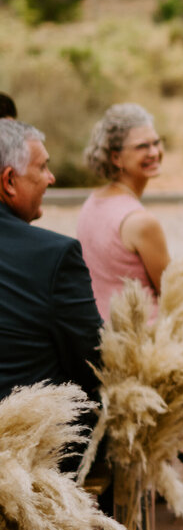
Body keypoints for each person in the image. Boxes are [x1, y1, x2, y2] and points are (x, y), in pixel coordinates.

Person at [0, 117, 103, 406]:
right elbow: (95, 362)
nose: (51, 178)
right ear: (9, 181)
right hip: (32, 440)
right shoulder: (54, 255)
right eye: (43, 167)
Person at [76, 105, 169, 319]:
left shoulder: (92, 201)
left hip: (105, 333)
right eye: (142, 147)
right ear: (116, 158)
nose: (154, 152)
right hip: (143, 340)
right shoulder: (141, 222)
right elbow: (172, 297)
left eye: (156, 142)